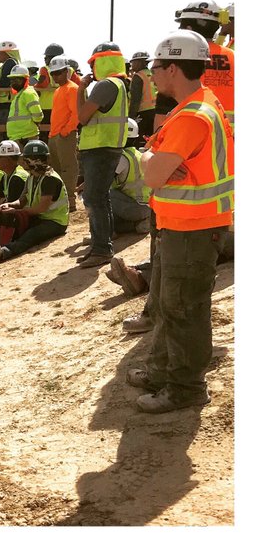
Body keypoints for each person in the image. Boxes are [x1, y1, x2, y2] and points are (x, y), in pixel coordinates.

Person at [129, 31, 233, 412]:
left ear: (172, 67)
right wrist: (155, 158)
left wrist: (146, 158)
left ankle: (186, 387)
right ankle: (161, 370)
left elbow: (153, 172)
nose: (151, 75)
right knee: (168, 304)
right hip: (182, 223)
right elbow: (159, 161)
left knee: (184, 308)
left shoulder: (192, 115)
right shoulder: (197, 104)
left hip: (193, 227)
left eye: (154, 68)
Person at [76, 41, 131, 268]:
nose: (92, 68)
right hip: (108, 146)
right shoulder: (120, 84)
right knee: (101, 197)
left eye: (94, 63)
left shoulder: (106, 85)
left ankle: (101, 249)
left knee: (93, 198)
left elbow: (82, 117)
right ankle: (101, 245)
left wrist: (81, 89)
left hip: (99, 147)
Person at [0, 140, 69, 266]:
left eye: (27, 159)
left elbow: (41, 208)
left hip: (55, 222)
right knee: (6, 216)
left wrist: (17, 211)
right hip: (40, 217)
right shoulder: (31, 177)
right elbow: (21, 201)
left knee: (31, 235)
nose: (23, 162)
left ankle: (4, 252)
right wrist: (10, 205)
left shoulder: (50, 179)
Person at [176, 0, 235, 127]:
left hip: (193, 127)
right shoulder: (233, 56)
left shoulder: (182, 56)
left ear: (189, 28)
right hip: (230, 134)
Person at [46, 56, 80, 212]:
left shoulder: (72, 88)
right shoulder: (59, 90)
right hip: (55, 135)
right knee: (57, 169)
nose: (55, 76)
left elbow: (76, 113)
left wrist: (66, 131)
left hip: (65, 135)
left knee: (68, 168)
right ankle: (61, 199)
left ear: (66, 71)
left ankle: (70, 201)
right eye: (53, 73)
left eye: (58, 73)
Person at [5, 65, 43, 144]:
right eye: (12, 79)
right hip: (18, 136)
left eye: (16, 79)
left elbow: (37, 115)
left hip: (25, 137)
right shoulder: (20, 94)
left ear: (25, 79)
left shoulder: (28, 93)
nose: (13, 82)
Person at [129, 50, 158, 139]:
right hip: (155, 111)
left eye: (133, 62)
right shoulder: (152, 74)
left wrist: (131, 117)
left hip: (143, 112)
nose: (132, 65)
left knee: (137, 138)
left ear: (139, 62)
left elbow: (135, 99)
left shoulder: (138, 76)